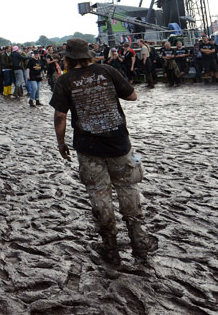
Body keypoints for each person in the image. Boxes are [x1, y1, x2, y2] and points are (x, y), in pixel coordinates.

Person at [50, 38, 157, 266]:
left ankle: (110, 248)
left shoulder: (65, 80)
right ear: (88, 55)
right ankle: (139, 243)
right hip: (119, 143)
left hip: (89, 148)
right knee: (128, 188)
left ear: (68, 58)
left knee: (99, 195)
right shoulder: (107, 71)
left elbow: (60, 116)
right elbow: (132, 96)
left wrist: (61, 143)